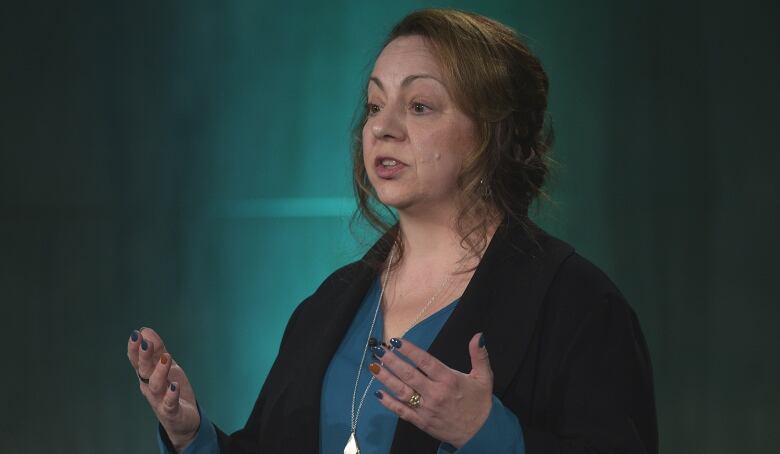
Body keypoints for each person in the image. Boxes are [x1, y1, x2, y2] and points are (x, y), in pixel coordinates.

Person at [127, 8, 658, 454]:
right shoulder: (328, 305)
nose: (382, 127)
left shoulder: (579, 305)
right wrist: (193, 436)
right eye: (376, 105)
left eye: (420, 106)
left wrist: (491, 436)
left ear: (496, 133)